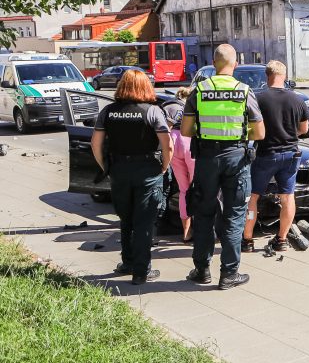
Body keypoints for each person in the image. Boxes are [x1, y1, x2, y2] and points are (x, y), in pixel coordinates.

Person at [181, 44, 265, 290]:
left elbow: (186, 130)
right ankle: (229, 273)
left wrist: (207, 132)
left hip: (207, 159)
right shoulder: (244, 91)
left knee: (204, 213)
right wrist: (236, 134)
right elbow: (259, 132)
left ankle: (202, 270)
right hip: (236, 159)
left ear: (213, 64)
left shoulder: (199, 90)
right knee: (234, 215)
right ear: (235, 64)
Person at [90, 70, 173, 285]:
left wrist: (105, 166)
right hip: (147, 170)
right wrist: (164, 167)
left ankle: (127, 262)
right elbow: (167, 145)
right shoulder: (153, 111)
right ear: (146, 86)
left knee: (126, 219)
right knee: (144, 221)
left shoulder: (108, 111)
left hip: (119, 170)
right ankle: (141, 271)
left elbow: (95, 144)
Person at [242, 60, 309, 252]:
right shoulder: (297, 100)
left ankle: (247, 240)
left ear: (267, 76)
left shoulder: (258, 98)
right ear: (285, 76)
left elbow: (251, 126)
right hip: (290, 154)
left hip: (265, 154)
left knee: (252, 197)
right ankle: (281, 240)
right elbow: (303, 129)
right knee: (287, 197)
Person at [163, 86, 195, 241]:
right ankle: (203, 227)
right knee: (199, 188)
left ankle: (186, 232)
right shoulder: (193, 106)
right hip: (190, 141)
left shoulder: (170, 105)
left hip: (174, 143)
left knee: (184, 190)